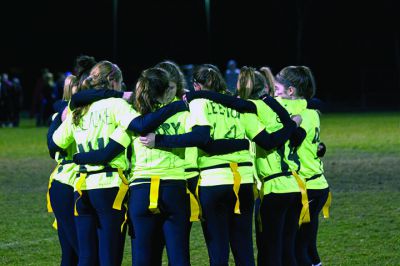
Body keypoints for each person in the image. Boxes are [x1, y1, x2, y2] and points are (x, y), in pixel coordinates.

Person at [140, 64, 297, 266]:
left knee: (218, 253)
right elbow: (265, 140)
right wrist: (243, 143)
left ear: (196, 86)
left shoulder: (198, 104)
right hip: (243, 182)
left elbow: (201, 139)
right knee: (244, 250)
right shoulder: (238, 105)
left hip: (213, 181)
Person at [49, 61, 135, 266]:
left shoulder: (80, 108)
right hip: (110, 185)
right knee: (109, 256)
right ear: (113, 82)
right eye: (120, 82)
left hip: (81, 186)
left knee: (86, 257)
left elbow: (56, 142)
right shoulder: (118, 105)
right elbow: (137, 125)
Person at [274, 66, 331, 266]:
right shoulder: (312, 112)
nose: (274, 93)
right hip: (317, 185)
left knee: (297, 249)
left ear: (291, 91)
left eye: (277, 88)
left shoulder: (294, 110)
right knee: (307, 246)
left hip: (308, 187)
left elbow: (265, 103)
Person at [47, 74, 79, 266]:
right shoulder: (65, 115)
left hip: (65, 181)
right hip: (69, 181)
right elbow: (52, 148)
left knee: (71, 253)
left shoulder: (61, 112)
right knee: (75, 251)